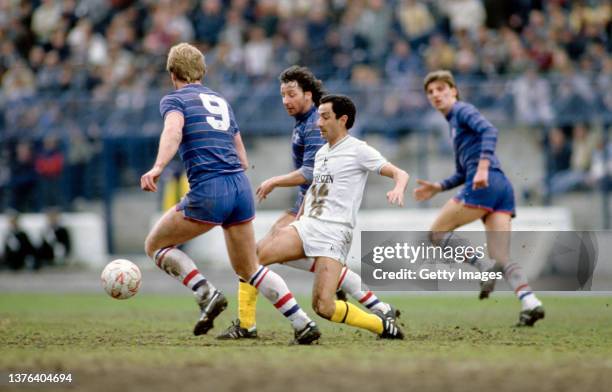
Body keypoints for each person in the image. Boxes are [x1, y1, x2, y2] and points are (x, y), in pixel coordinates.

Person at [140, 43, 320, 344]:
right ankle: (302, 323)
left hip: (210, 189)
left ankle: (205, 292)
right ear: (202, 71)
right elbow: (240, 149)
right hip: (239, 186)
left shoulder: (174, 99)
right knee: (250, 267)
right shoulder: (220, 100)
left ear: (173, 74)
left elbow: (172, 131)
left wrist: (158, 166)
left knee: (154, 245)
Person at [218, 67, 399, 340]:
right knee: (262, 258)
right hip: (308, 209)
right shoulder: (307, 123)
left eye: (291, 95)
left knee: (256, 260)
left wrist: (275, 181)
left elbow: (310, 173)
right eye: (282, 95)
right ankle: (380, 308)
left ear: (309, 95)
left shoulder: (318, 125)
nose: (285, 101)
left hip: (318, 214)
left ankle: (258, 325)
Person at [413, 70, 545, 327]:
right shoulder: (454, 123)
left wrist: (482, 167)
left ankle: (482, 265)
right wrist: (438, 186)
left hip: (484, 183)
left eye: (441, 89)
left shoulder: (462, 110)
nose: (435, 95)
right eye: (430, 92)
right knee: (502, 256)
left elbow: (490, 131)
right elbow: (462, 171)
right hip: (501, 188)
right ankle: (531, 302)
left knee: (437, 234)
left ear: (454, 90)